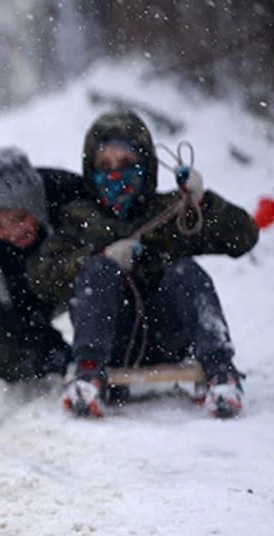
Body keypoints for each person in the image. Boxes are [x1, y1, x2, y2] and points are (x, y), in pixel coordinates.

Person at [27, 110, 259, 419]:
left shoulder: (169, 211)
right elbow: (41, 278)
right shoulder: (78, 219)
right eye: (104, 166)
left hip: (167, 334)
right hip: (110, 340)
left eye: (126, 164)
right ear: (91, 171)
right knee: (98, 271)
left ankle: (221, 371)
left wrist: (203, 203)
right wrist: (98, 259)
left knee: (186, 271)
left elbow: (243, 237)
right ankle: (88, 377)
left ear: (146, 165)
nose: (115, 175)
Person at [0, 147, 87, 387]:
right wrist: (54, 353)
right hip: (27, 292)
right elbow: (0, 308)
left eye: (20, 218)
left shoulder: (71, 195)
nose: (13, 233)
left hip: (79, 278)